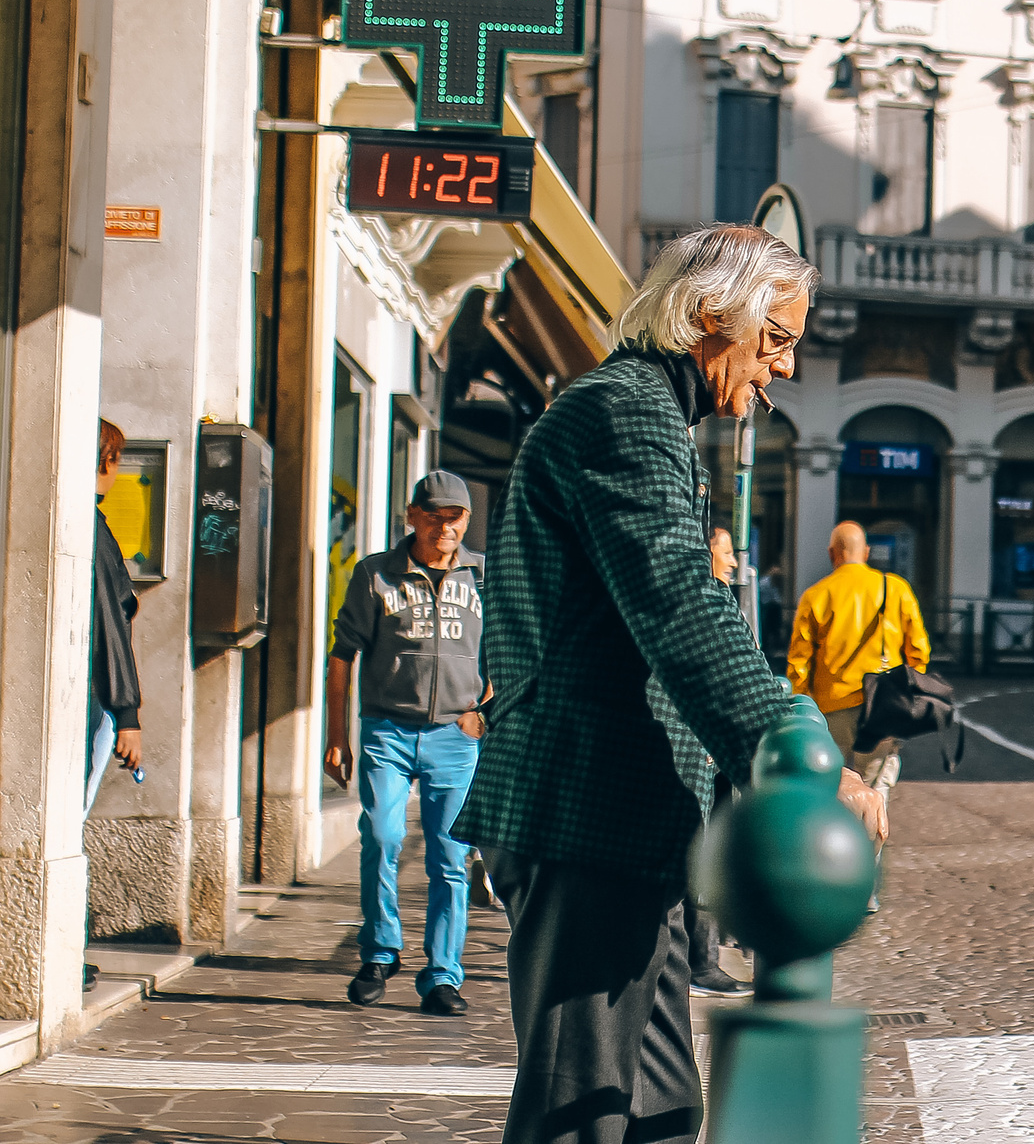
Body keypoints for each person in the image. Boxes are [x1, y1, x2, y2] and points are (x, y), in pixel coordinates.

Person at [454, 225, 884, 1144]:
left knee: (656, 1108)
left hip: (626, 822)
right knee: (578, 1111)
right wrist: (790, 741)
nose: (787, 367)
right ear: (707, 313)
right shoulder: (625, 411)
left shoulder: (642, 410)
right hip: (588, 811)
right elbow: (679, 605)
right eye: (775, 339)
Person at [323, 471, 488, 1016]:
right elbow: (342, 654)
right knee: (381, 835)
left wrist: (484, 712)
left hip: (454, 736)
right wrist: (337, 737)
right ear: (412, 516)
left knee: (449, 858)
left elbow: (511, 652)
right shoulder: (377, 575)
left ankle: (442, 975)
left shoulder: (484, 576)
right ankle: (379, 952)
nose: (447, 526)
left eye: (456, 516)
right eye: (435, 515)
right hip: (387, 729)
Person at [787, 520, 930, 845]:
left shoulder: (816, 595)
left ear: (832, 554)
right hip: (880, 708)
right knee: (875, 792)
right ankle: (866, 879)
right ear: (865, 552)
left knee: (826, 788)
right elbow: (918, 649)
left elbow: (798, 662)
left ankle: (826, 861)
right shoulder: (895, 589)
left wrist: (803, 706)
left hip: (829, 709)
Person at [684, 526, 752, 1000]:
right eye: (726, 553)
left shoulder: (724, 600)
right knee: (705, 848)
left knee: (717, 846)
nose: (734, 562)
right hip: (705, 751)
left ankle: (709, 951)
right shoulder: (703, 603)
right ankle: (702, 964)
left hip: (719, 750)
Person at [88, 420, 143, 813]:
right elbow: (111, 624)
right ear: (106, 462)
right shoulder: (96, 535)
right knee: (76, 807)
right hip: (95, 696)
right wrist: (127, 716)